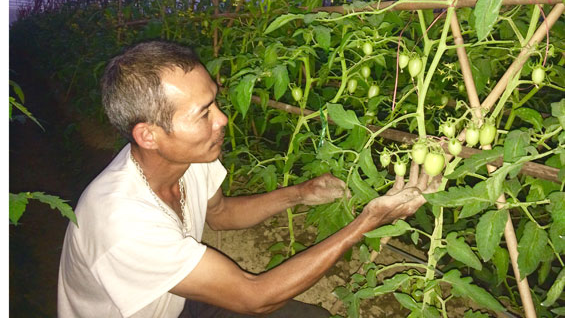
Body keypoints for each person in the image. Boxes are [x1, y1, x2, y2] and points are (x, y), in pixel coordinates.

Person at [57, 41, 440, 318]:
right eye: (203, 113)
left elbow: (220, 214)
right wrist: (368, 222)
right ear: (148, 135)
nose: (222, 119)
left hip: (175, 302)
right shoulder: (121, 222)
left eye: (216, 103)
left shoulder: (190, 156)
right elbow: (254, 297)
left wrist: (300, 194)